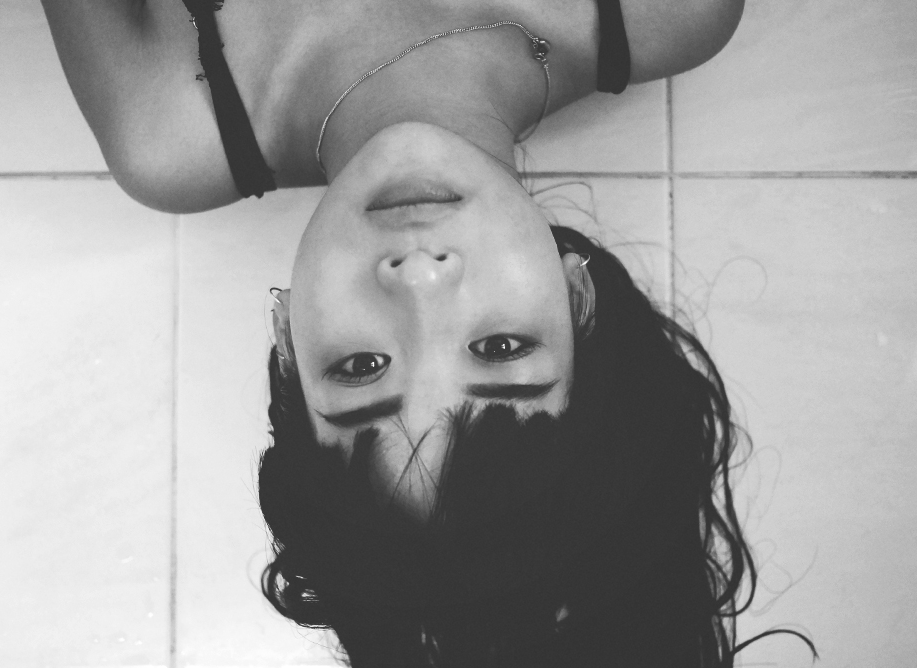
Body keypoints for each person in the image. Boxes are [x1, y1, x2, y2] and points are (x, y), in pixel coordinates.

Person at [44, 1, 815, 665]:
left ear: (288, 340)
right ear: (579, 299)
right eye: (500, 348)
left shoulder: (166, 124)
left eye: (361, 365)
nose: (418, 279)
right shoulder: (670, 10)